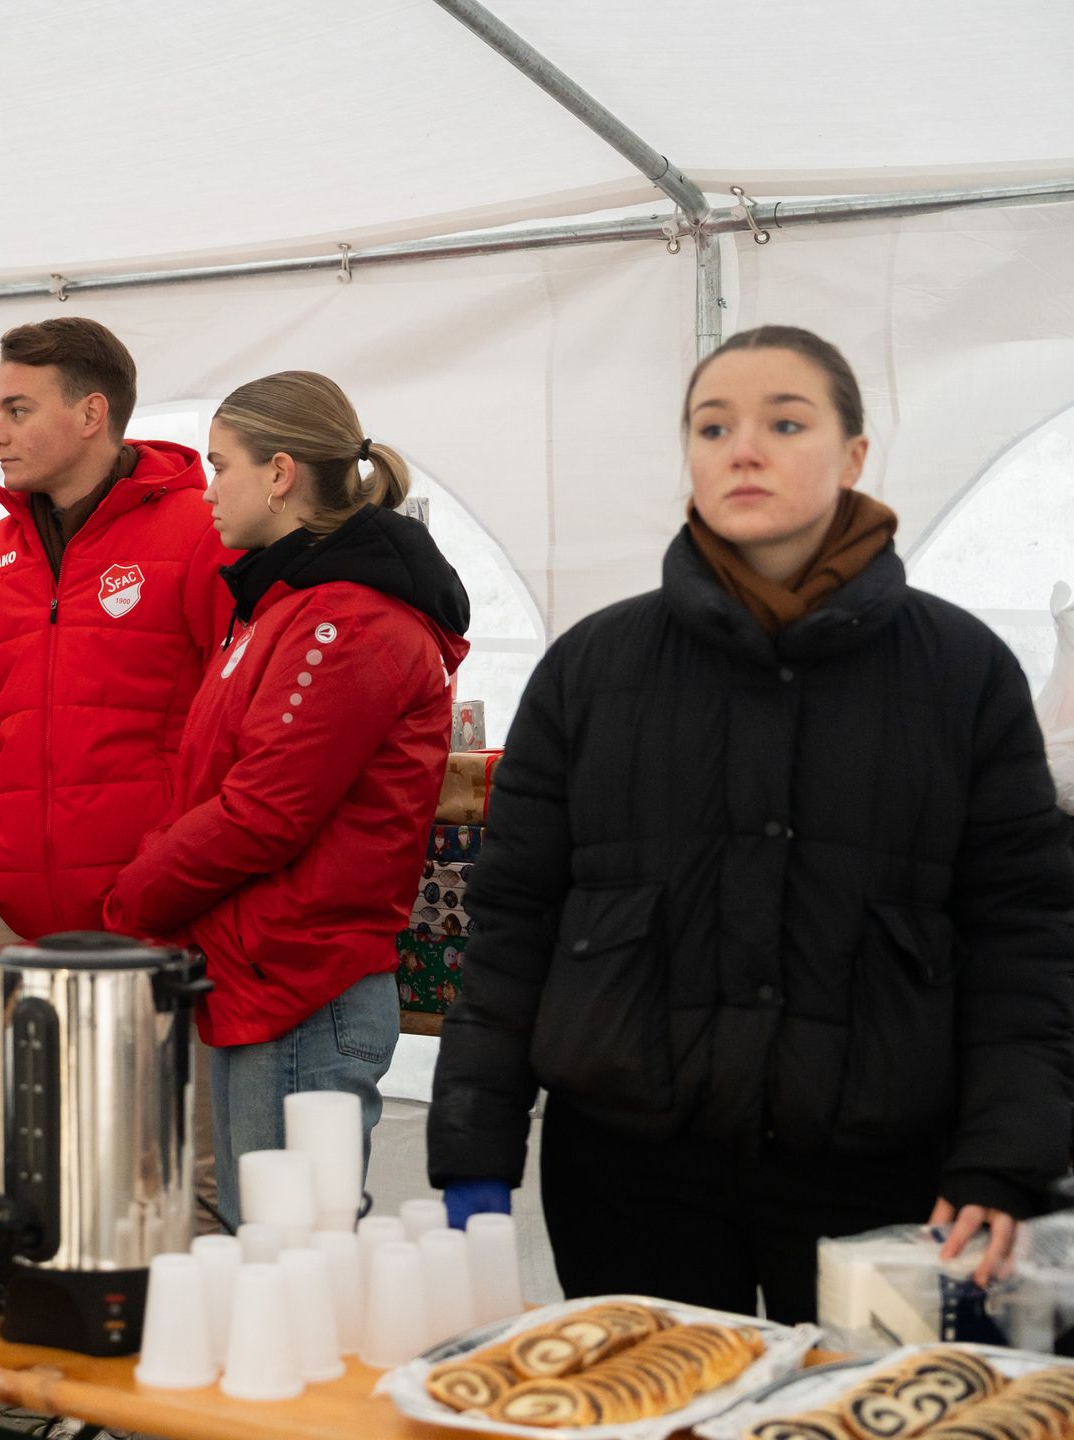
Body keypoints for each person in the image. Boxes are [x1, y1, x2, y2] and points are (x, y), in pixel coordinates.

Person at [426, 325, 1074, 1320]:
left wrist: (1007, 1155)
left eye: (785, 420)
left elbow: (1025, 937)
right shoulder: (592, 671)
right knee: (653, 1417)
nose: (744, 447)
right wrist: (474, 1138)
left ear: (855, 455)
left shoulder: (963, 674)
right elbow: (514, 918)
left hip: (881, 1178)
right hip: (630, 1170)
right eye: (713, 424)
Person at [104, 371, 469, 1227]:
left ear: (278, 473)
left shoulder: (350, 622)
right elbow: (214, 781)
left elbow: (264, 812)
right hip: (261, 974)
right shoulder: (284, 606)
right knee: (263, 1243)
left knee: (291, 1256)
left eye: (218, 464)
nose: (207, 488)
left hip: (307, 987)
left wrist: (130, 902)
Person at [0, 317, 234, 1218]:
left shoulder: (200, 533)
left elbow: (234, 721)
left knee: (175, 1195)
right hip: (24, 930)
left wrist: (180, 873)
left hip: (166, 927)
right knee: (58, 1191)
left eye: (17, 409)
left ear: (91, 413)